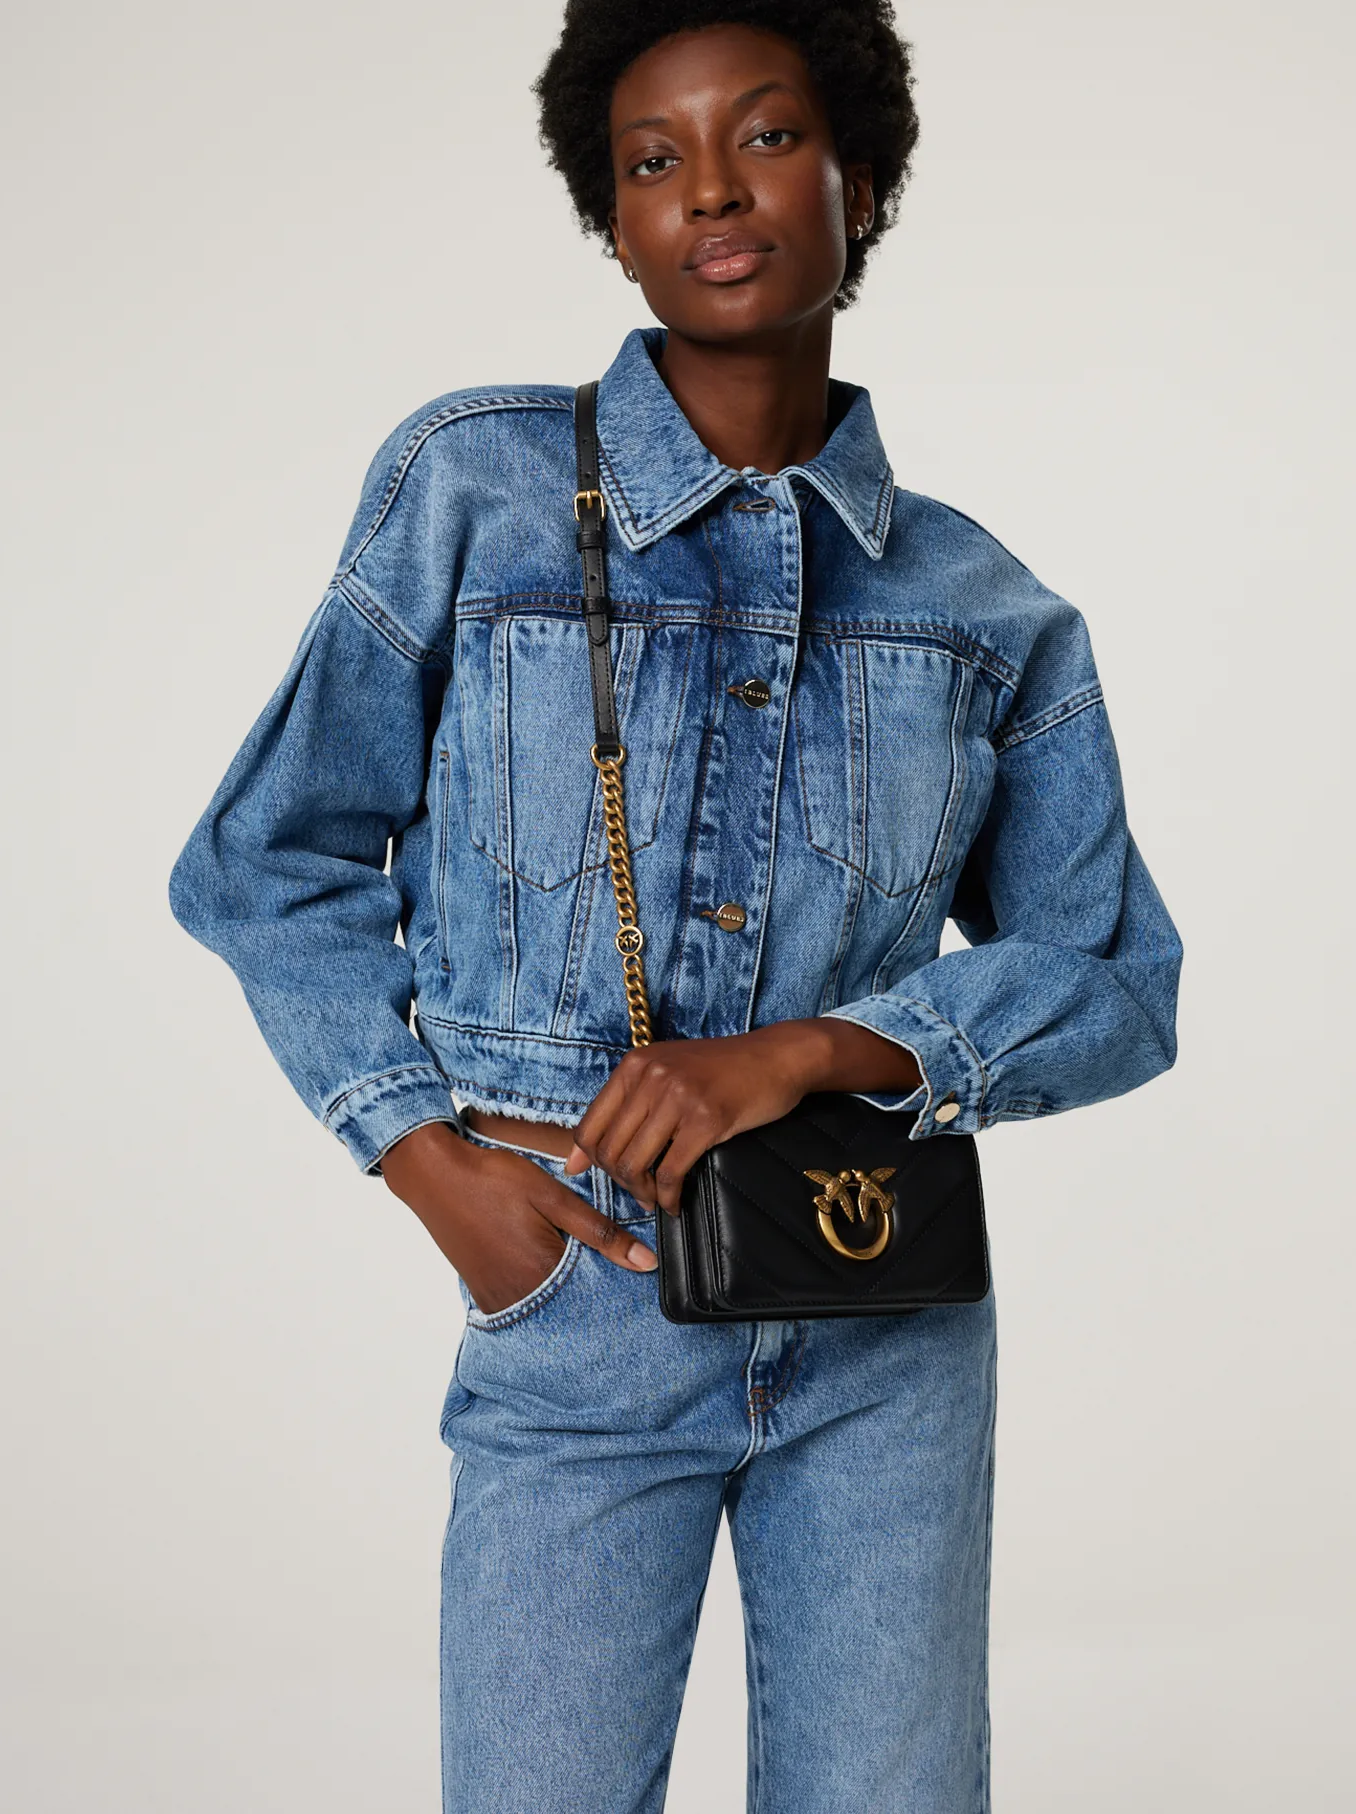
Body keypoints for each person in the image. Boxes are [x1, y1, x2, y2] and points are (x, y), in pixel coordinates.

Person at [169, 4, 1183, 1808]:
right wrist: (434, 1167)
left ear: (861, 180)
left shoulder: (984, 607)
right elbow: (267, 859)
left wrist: (807, 1050)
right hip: (579, 1284)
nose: (712, 190)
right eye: (654, 161)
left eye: (766, 137)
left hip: (882, 1314)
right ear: (614, 219)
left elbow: (1114, 980)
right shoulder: (474, 490)